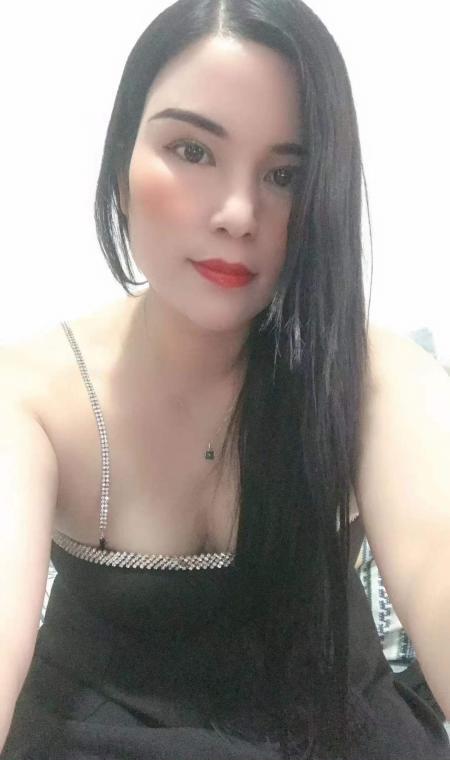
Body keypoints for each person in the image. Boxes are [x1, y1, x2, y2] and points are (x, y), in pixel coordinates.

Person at [1, 0, 449, 757]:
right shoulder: (32, 396)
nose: (240, 213)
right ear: (121, 160)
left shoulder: (374, 378)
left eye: (285, 174)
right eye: (193, 150)